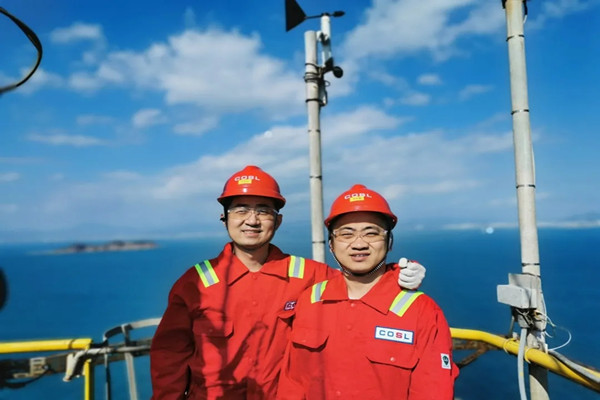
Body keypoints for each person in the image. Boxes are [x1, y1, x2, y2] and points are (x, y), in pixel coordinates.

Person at [150, 166, 426, 400]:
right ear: (225, 218)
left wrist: (398, 273)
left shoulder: (308, 276)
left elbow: (360, 281)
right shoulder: (195, 283)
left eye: (264, 211)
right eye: (241, 210)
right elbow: (169, 355)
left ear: (278, 221)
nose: (252, 220)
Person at [277, 184, 458, 400]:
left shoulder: (422, 311)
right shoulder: (311, 300)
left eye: (371, 233)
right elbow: (293, 383)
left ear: (389, 242)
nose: (359, 244)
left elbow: (433, 391)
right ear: (331, 244)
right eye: (346, 234)